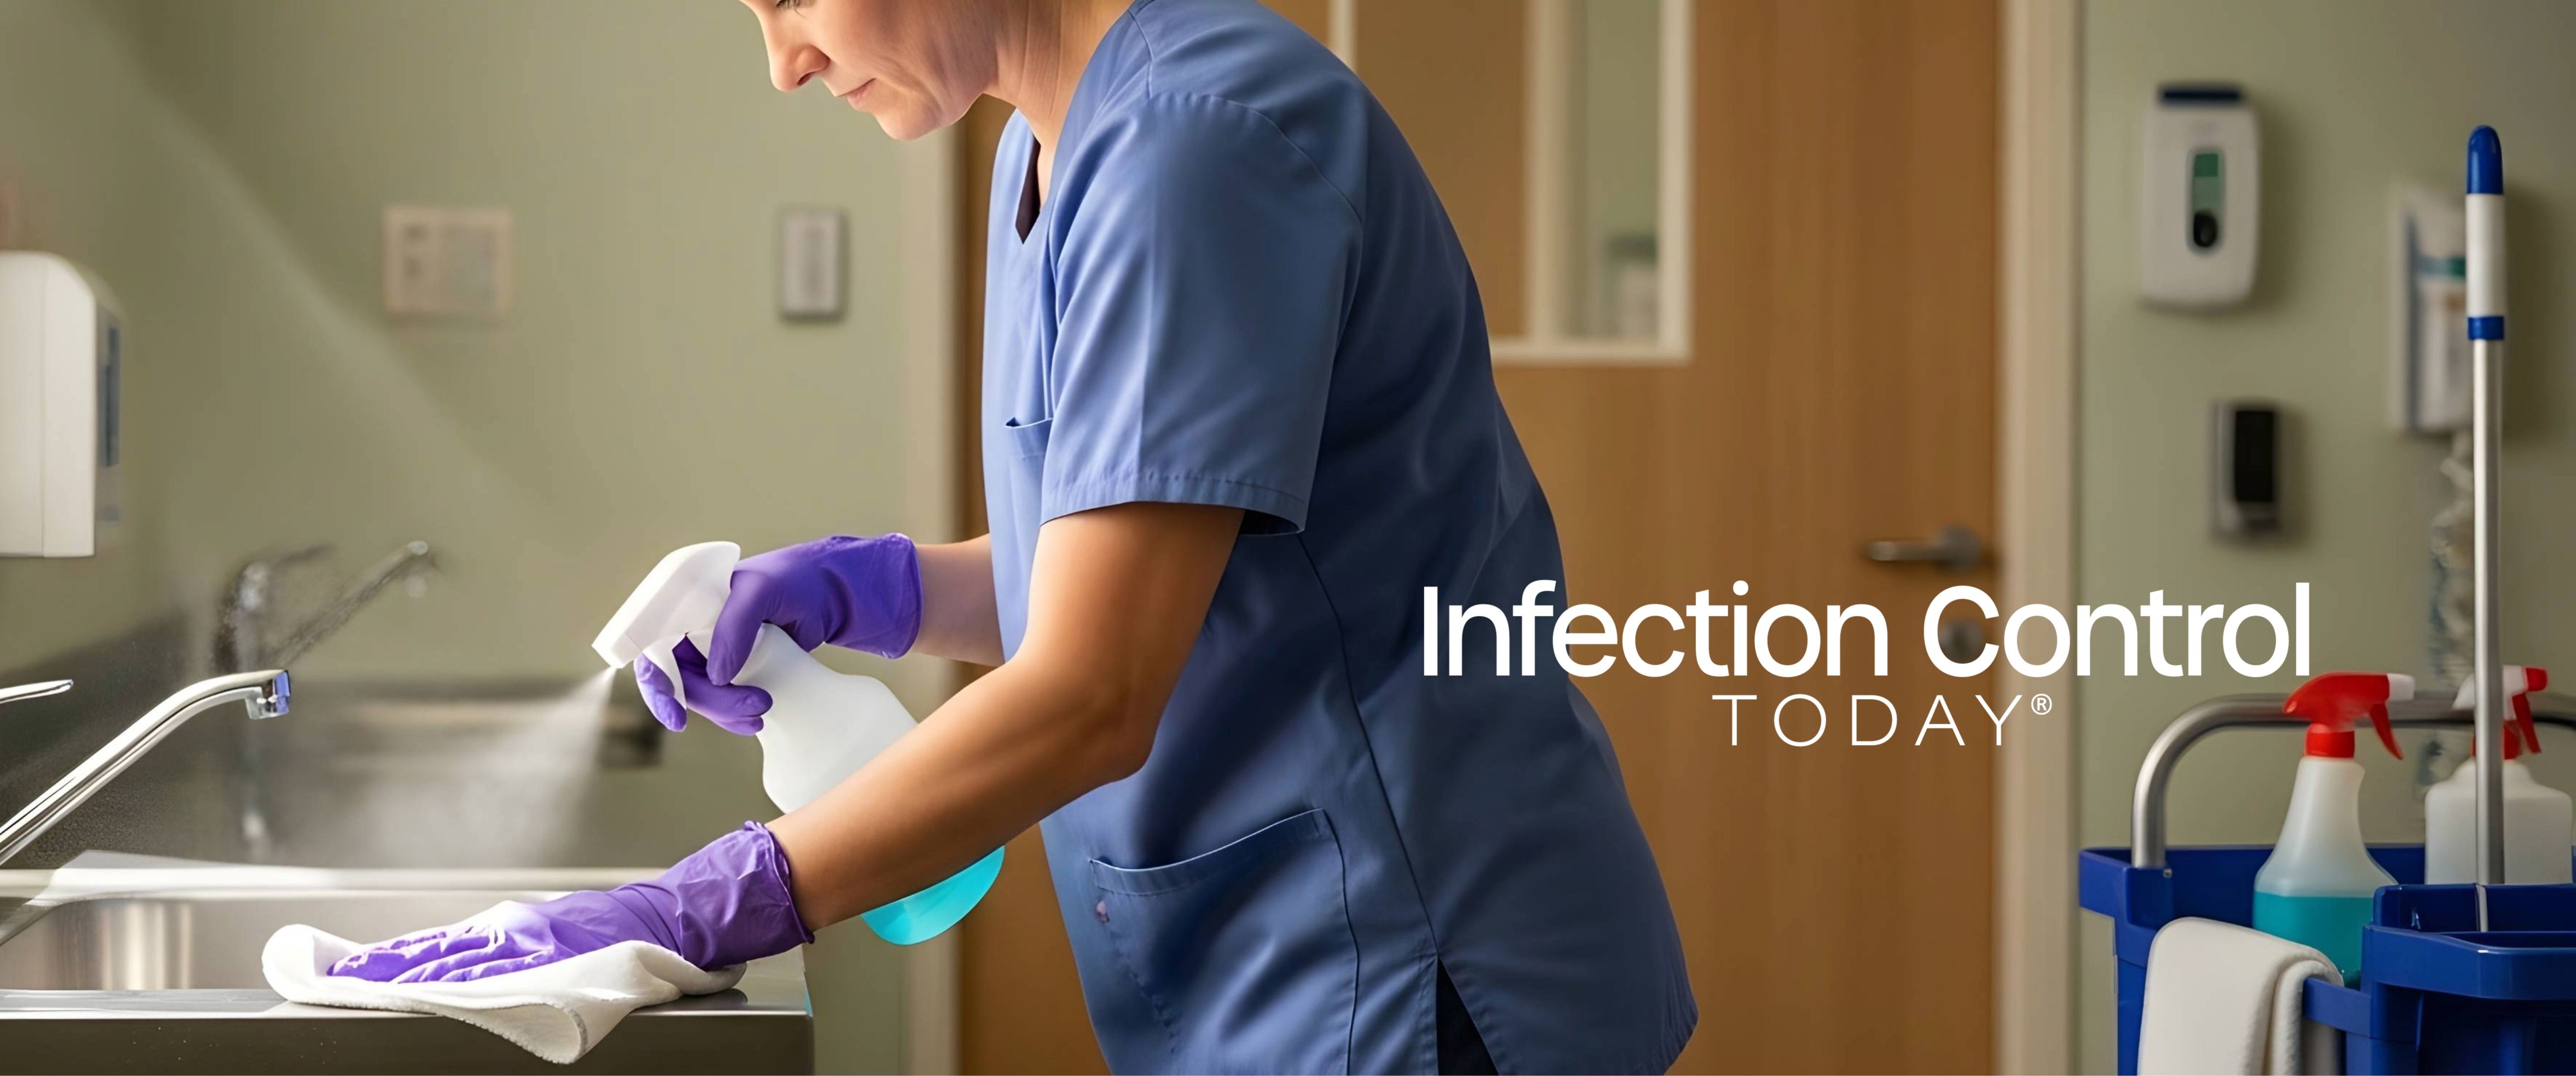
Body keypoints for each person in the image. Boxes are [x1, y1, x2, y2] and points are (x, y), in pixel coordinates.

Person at [334, 0, 1695, 1071]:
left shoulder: (1199, 141)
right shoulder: (1048, 151)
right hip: (1281, 965)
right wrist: (874, 591)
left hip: (1405, 969)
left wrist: (706, 907)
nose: (784, 68)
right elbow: (1116, 563)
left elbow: (1096, 689)